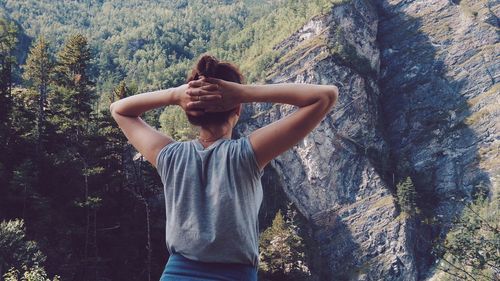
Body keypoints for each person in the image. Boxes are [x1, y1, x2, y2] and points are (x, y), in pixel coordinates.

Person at [110, 54, 339, 281]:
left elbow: (119, 109)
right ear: (237, 109)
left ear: (189, 112)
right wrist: (243, 93)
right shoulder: (247, 155)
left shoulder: (170, 156)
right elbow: (326, 95)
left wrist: (175, 94)